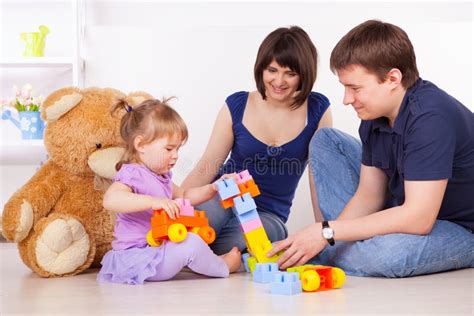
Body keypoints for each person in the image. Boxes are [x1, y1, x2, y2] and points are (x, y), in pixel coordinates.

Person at [268, 20, 474, 277]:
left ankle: (337, 250)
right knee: (326, 140)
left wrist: (326, 233)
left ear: (392, 79)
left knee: (387, 255)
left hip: (460, 226)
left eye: (355, 88)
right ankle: (337, 248)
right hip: (403, 205)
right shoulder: (373, 115)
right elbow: (369, 196)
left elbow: (419, 218)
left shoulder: (430, 118)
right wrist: (325, 232)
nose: (346, 99)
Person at [181, 26, 332, 255]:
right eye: (272, 70)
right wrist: (175, 203)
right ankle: (200, 255)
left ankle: (208, 258)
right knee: (198, 227)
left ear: (304, 74)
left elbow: (318, 180)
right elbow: (208, 163)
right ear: (261, 69)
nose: (278, 81)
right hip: (222, 195)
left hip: (268, 215)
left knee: (241, 241)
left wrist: (324, 234)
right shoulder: (238, 104)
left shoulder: (318, 109)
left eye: (290, 73)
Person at [97, 98, 241, 285]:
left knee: (192, 238)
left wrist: (213, 188)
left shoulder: (160, 176)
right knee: (191, 243)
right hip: (138, 257)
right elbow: (111, 199)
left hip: (158, 250)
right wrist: (153, 201)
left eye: (178, 149)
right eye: (169, 148)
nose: (175, 156)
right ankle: (222, 266)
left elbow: (184, 196)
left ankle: (209, 261)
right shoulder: (133, 174)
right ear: (141, 145)